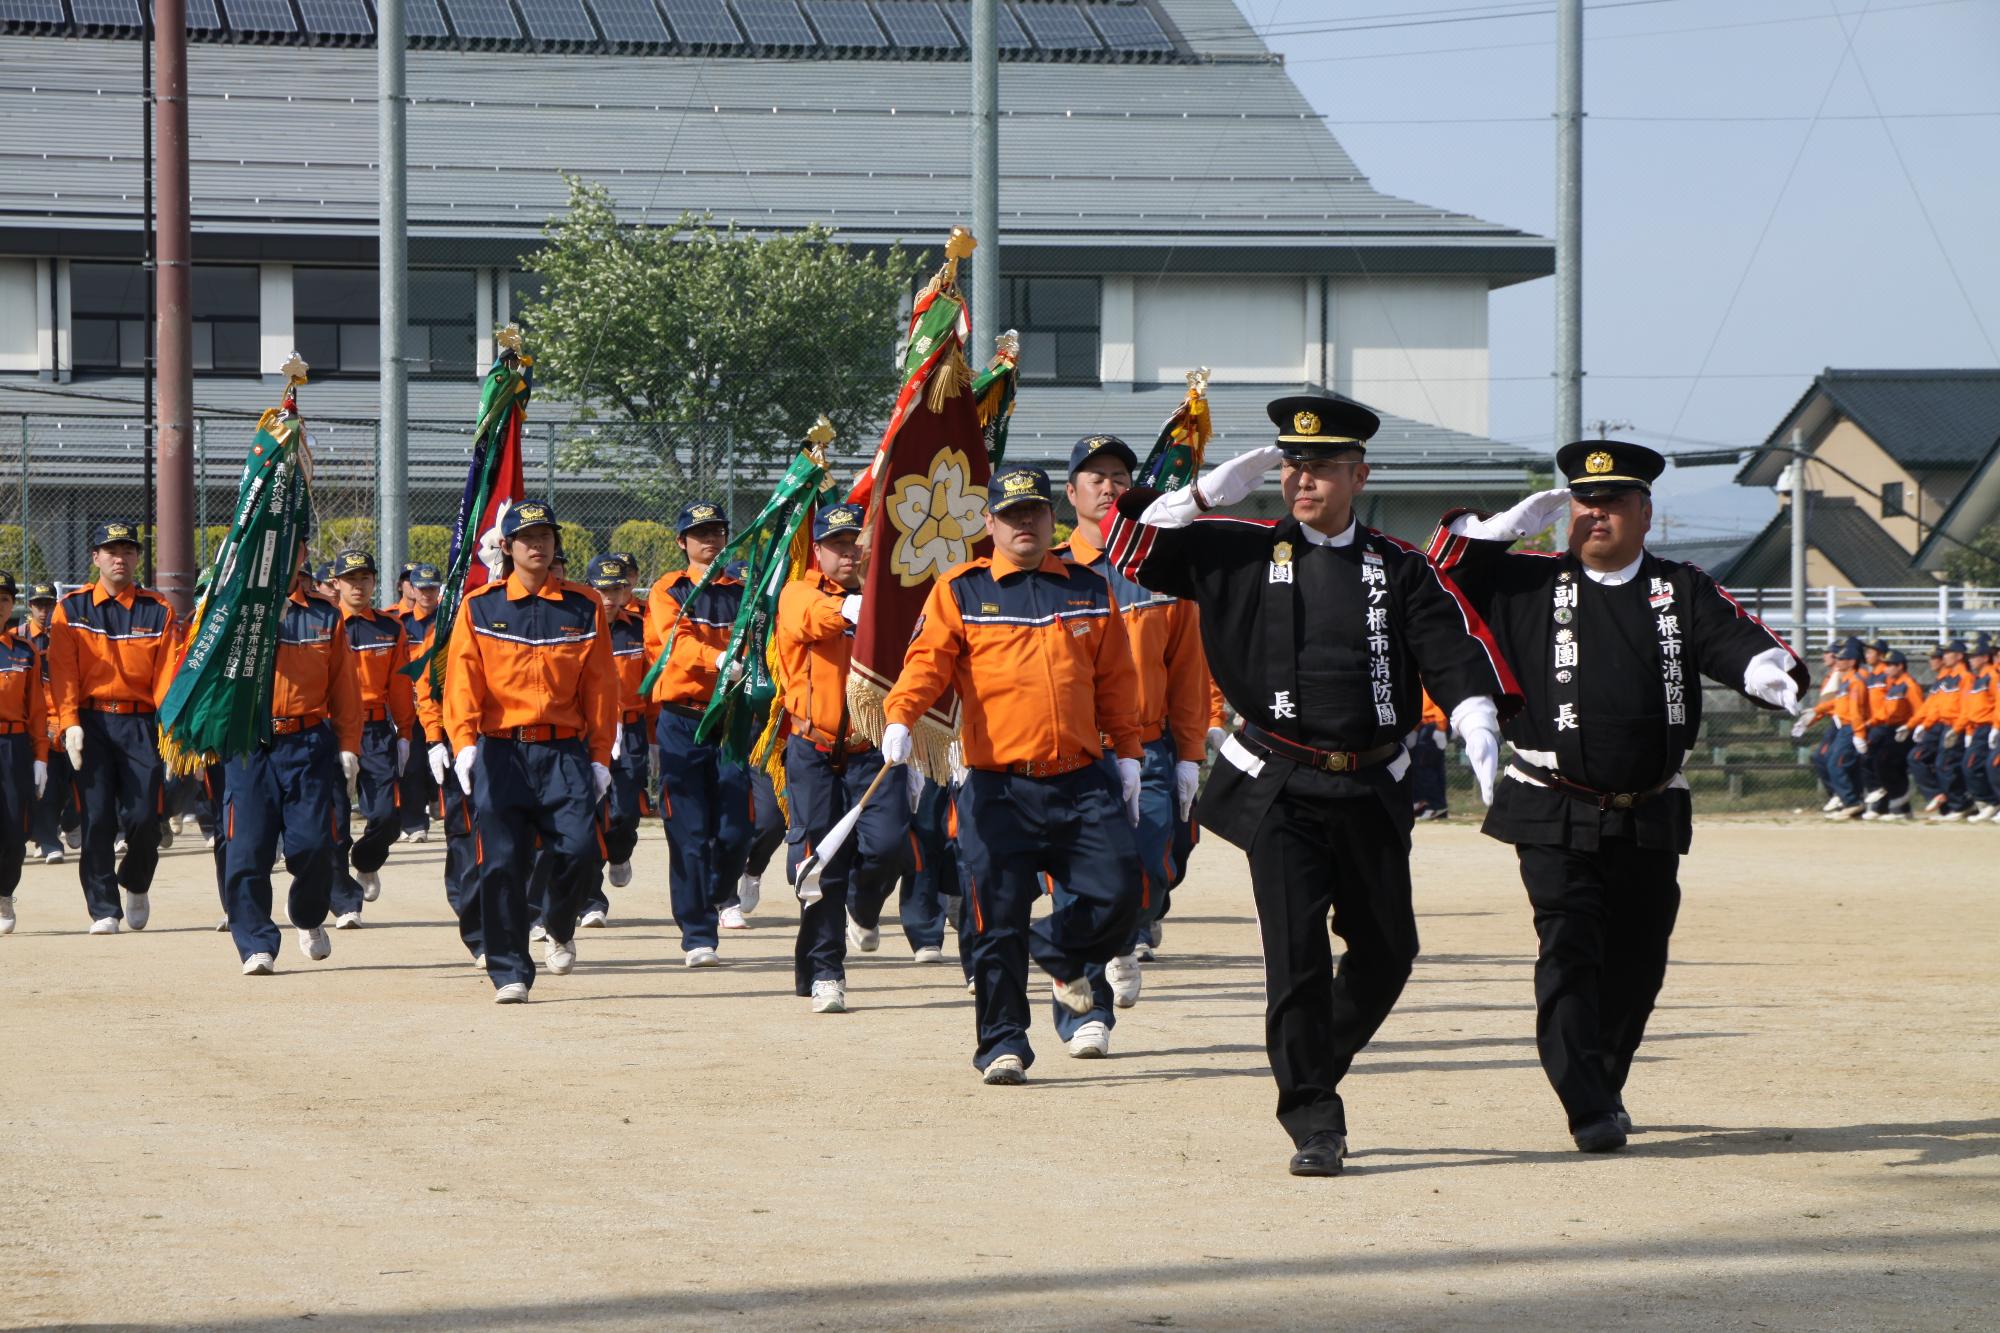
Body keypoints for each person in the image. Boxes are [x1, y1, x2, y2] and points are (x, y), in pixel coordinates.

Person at [1102, 393, 1516, 1177]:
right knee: (1294, 955)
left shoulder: (1399, 568)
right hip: (1280, 787)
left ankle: (1311, 1057)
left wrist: (1472, 712)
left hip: (1370, 785)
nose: (1303, 480)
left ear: (1358, 474)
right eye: (1292, 465)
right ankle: (1314, 1118)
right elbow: (1126, 547)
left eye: (1321, 467)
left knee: (1389, 950)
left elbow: (1448, 646)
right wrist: (1195, 497)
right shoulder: (1238, 548)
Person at [1428, 439, 1805, 1152]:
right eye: (1584, 501)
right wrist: (1498, 530)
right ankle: (1587, 1104)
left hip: (1649, 807)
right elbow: (1439, 575)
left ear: (1646, 513)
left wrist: (1767, 671)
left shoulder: (1679, 587)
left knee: (1638, 957)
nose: (1596, 514)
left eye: (1614, 502)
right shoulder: (1523, 582)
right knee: (1568, 943)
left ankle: (1603, 1076)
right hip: (1551, 801)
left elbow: (1737, 638)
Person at [885, 465, 1144, 1084]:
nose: (1024, 523)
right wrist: (901, 713)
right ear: (988, 523)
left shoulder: (1087, 586)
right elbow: (927, 663)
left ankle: (1058, 953)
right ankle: (1003, 1042)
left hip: (1082, 779)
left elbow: (1115, 679)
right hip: (997, 787)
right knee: (995, 919)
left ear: (1050, 517)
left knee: (1121, 893)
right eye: (1011, 514)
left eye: (1033, 512)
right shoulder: (962, 589)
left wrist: (1129, 752)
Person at [1052, 433, 1211, 1053]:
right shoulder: (1052, 570)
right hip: (1078, 751)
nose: (1109, 487)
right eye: (1095, 478)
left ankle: (1128, 932)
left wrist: (1192, 754)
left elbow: (1188, 668)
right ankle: (1084, 1012)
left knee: (1152, 863)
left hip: (1149, 749)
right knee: (1081, 879)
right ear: (1071, 495)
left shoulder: (1161, 567)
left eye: (1119, 476)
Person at [443, 499, 616, 1003]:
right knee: (501, 864)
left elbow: (601, 685)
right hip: (502, 752)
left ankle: (559, 923)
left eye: (546, 537)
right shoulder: (480, 606)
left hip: (564, 754)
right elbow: (462, 683)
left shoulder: (583, 607)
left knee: (580, 852)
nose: (538, 546)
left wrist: (601, 754)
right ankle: (509, 971)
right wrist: (464, 744)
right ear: (507, 547)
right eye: (527, 538)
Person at [776, 502, 915, 1014]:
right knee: (820, 865)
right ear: (818, 551)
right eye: (837, 544)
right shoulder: (800, 592)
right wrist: (854, 610)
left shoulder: (888, 600)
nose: (848, 553)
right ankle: (825, 971)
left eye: (856, 543)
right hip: (814, 748)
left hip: (872, 749)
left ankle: (863, 906)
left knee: (889, 846)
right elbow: (810, 622)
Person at [220, 548, 363, 975]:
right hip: (248, 743)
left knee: (316, 845)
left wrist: (349, 744)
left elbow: (345, 687)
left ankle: (307, 913)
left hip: (308, 742)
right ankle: (256, 943)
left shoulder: (325, 617)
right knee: (247, 849)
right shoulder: (229, 611)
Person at [47, 521, 175, 933]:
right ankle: (104, 908)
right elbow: (64, 671)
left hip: (140, 723)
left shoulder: (158, 609)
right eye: (111, 550)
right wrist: (69, 723)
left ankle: (136, 882)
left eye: (128, 550)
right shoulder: (72, 608)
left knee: (144, 817)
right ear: (96, 557)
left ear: (138, 557)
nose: (120, 558)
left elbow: (167, 677)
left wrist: (171, 732)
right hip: (92, 722)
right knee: (97, 818)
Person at [645, 499, 753, 965]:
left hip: (731, 718)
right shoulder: (669, 589)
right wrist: (720, 659)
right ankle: (697, 934)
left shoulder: (744, 590)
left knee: (737, 829)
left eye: (717, 531)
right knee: (688, 829)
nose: (710, 540)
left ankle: (715, 891)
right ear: (682, 542)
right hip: (683, 719)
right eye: (700, 532)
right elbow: (677, 640)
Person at [327, 550, 415, 925]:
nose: (358, 585)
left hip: (377, 731)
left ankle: (365, 860)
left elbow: (399, 685)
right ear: (336, 584)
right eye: (351, 579)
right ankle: (346, 901)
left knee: (386, 816)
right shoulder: (324, 624)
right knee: (333, 820)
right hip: (331, 731)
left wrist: (405, 733)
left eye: (365, 578)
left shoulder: (390, 627)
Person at [588, 552, 655, 925]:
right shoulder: (579, 627)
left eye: (617, 589)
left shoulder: (639, 628)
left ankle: (620, 852)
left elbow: (651, 682)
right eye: (603, 590)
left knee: (625, 811)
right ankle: (591, 898)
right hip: (590, 729)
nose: (611, 598)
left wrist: (654, 735)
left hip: (630, 730)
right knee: (588, 816)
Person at [0, 573, 49, 936]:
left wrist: (40, 757)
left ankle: (4, 894)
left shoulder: (23, 652)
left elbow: (36, 710)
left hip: (13, 747)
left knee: (15, 830)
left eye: (5, 597)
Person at [23, 582, 74, 865]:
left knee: (66, 781)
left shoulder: (63, 636)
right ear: (29, 606)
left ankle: (65, 824)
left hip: (63, 715)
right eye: (38, 605)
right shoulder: (18, 637)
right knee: (43, 783)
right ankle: (46, 837)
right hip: (34, 718)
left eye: (48, 604)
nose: (43, 610)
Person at [394, 563, 444, 842]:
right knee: (411, 763)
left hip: (439, 704)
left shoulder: (448, 621)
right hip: (409, 704)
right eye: (421, 588)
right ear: (411, 589)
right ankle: (414, 824)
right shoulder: (400, 624)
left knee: (438, 760)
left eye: (432, 588)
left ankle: (442, 808)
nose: (427, 594)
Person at [1867, 652, 1924, 821]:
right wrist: (1870, 722)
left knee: (1884, 763)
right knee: (1889, 766)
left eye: (1891, 665)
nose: (1887, 668)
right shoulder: (1894, 685)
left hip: (1904, 731)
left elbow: (1920, 710)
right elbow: (1886, 711)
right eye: (1886, 664)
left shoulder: (1909, 685)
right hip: (1890, 729)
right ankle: (1901, 809)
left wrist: (1910, 727)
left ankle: (1898, 801)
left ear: (1900, 666)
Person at [1922, 641, 1972, 820]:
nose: (1944, 657)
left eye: (1949, 653)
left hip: (1955, 726)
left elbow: (1966, 707)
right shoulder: (1950, 678)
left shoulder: (1965, 677)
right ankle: (1952, 806)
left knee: (1946, 765)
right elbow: (1938, 706)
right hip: (1945, 725)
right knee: (1942, 765)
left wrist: (1958, 729)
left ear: (1959, 656)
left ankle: (1960, 805)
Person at [1961, 637, 1998, 822]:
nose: (1971, 660)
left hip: (1987, 727)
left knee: (1973, 765)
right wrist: (1968, 730)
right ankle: (1986, 802)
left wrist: (1995, 727)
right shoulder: (1978, 679)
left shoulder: (1992, 676)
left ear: (1985, 657)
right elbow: (1972, 707)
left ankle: (1991, 802)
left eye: (1975, 656)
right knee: (1972, 766)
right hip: (1976, 728)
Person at [1407, 691, 1451, 821]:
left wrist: (1441, 727)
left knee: (1423, 766)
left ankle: (1435, 805)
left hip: (1435, 724)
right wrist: (1414, 730)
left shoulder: (1432, 674)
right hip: (1425, 724)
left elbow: (1442, 702)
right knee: (1432, 766)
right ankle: (1424, 803)